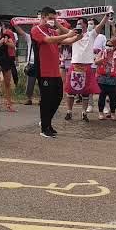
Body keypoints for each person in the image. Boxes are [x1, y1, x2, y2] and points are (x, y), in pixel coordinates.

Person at [31, 7, 80, 137]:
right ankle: (45, 127)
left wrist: (77, 36)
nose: (53, 21)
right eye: (51, 18)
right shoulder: (36, 30)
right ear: (43, 17)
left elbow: (66, 41)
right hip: (44, 70)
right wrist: (67, 34)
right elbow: (48, 40)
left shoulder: (52, 31)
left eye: (54, 18)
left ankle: (46, 122)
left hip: (55, 71)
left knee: (58, 97)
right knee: (46, 100)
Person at [64, 15, 108, 121]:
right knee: (70, 91)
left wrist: (106, 16)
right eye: (77, 23)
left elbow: (101, 25)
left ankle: (84, 113)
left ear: (85, 24)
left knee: (86, 92)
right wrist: (56, 21)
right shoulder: (74, 34)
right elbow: (63, 31)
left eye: (80, 23)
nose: (78, 25)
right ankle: (69, 111)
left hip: (87, 66)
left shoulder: (91, 34)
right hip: (74, 65)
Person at [13, 14, 39, 105]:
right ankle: (29, 98)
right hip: (31, 63)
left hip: (41, 63)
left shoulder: (45, 37)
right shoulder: (29, 38)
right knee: (30, 83)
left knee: (42, 83)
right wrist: (15, 24)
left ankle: (42, 99)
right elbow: (21, 31)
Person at [95, 39, 116, 120]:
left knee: (113, 97)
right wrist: (103, 59)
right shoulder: (102, 53)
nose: (109, 47)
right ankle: (100, 113)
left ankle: (113, 113)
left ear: (114, 47)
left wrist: (114, 60)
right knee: (102, 96)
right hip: (102, 78)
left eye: (111, 45)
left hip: (113, 79)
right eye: (108, 45)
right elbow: (96, 62)